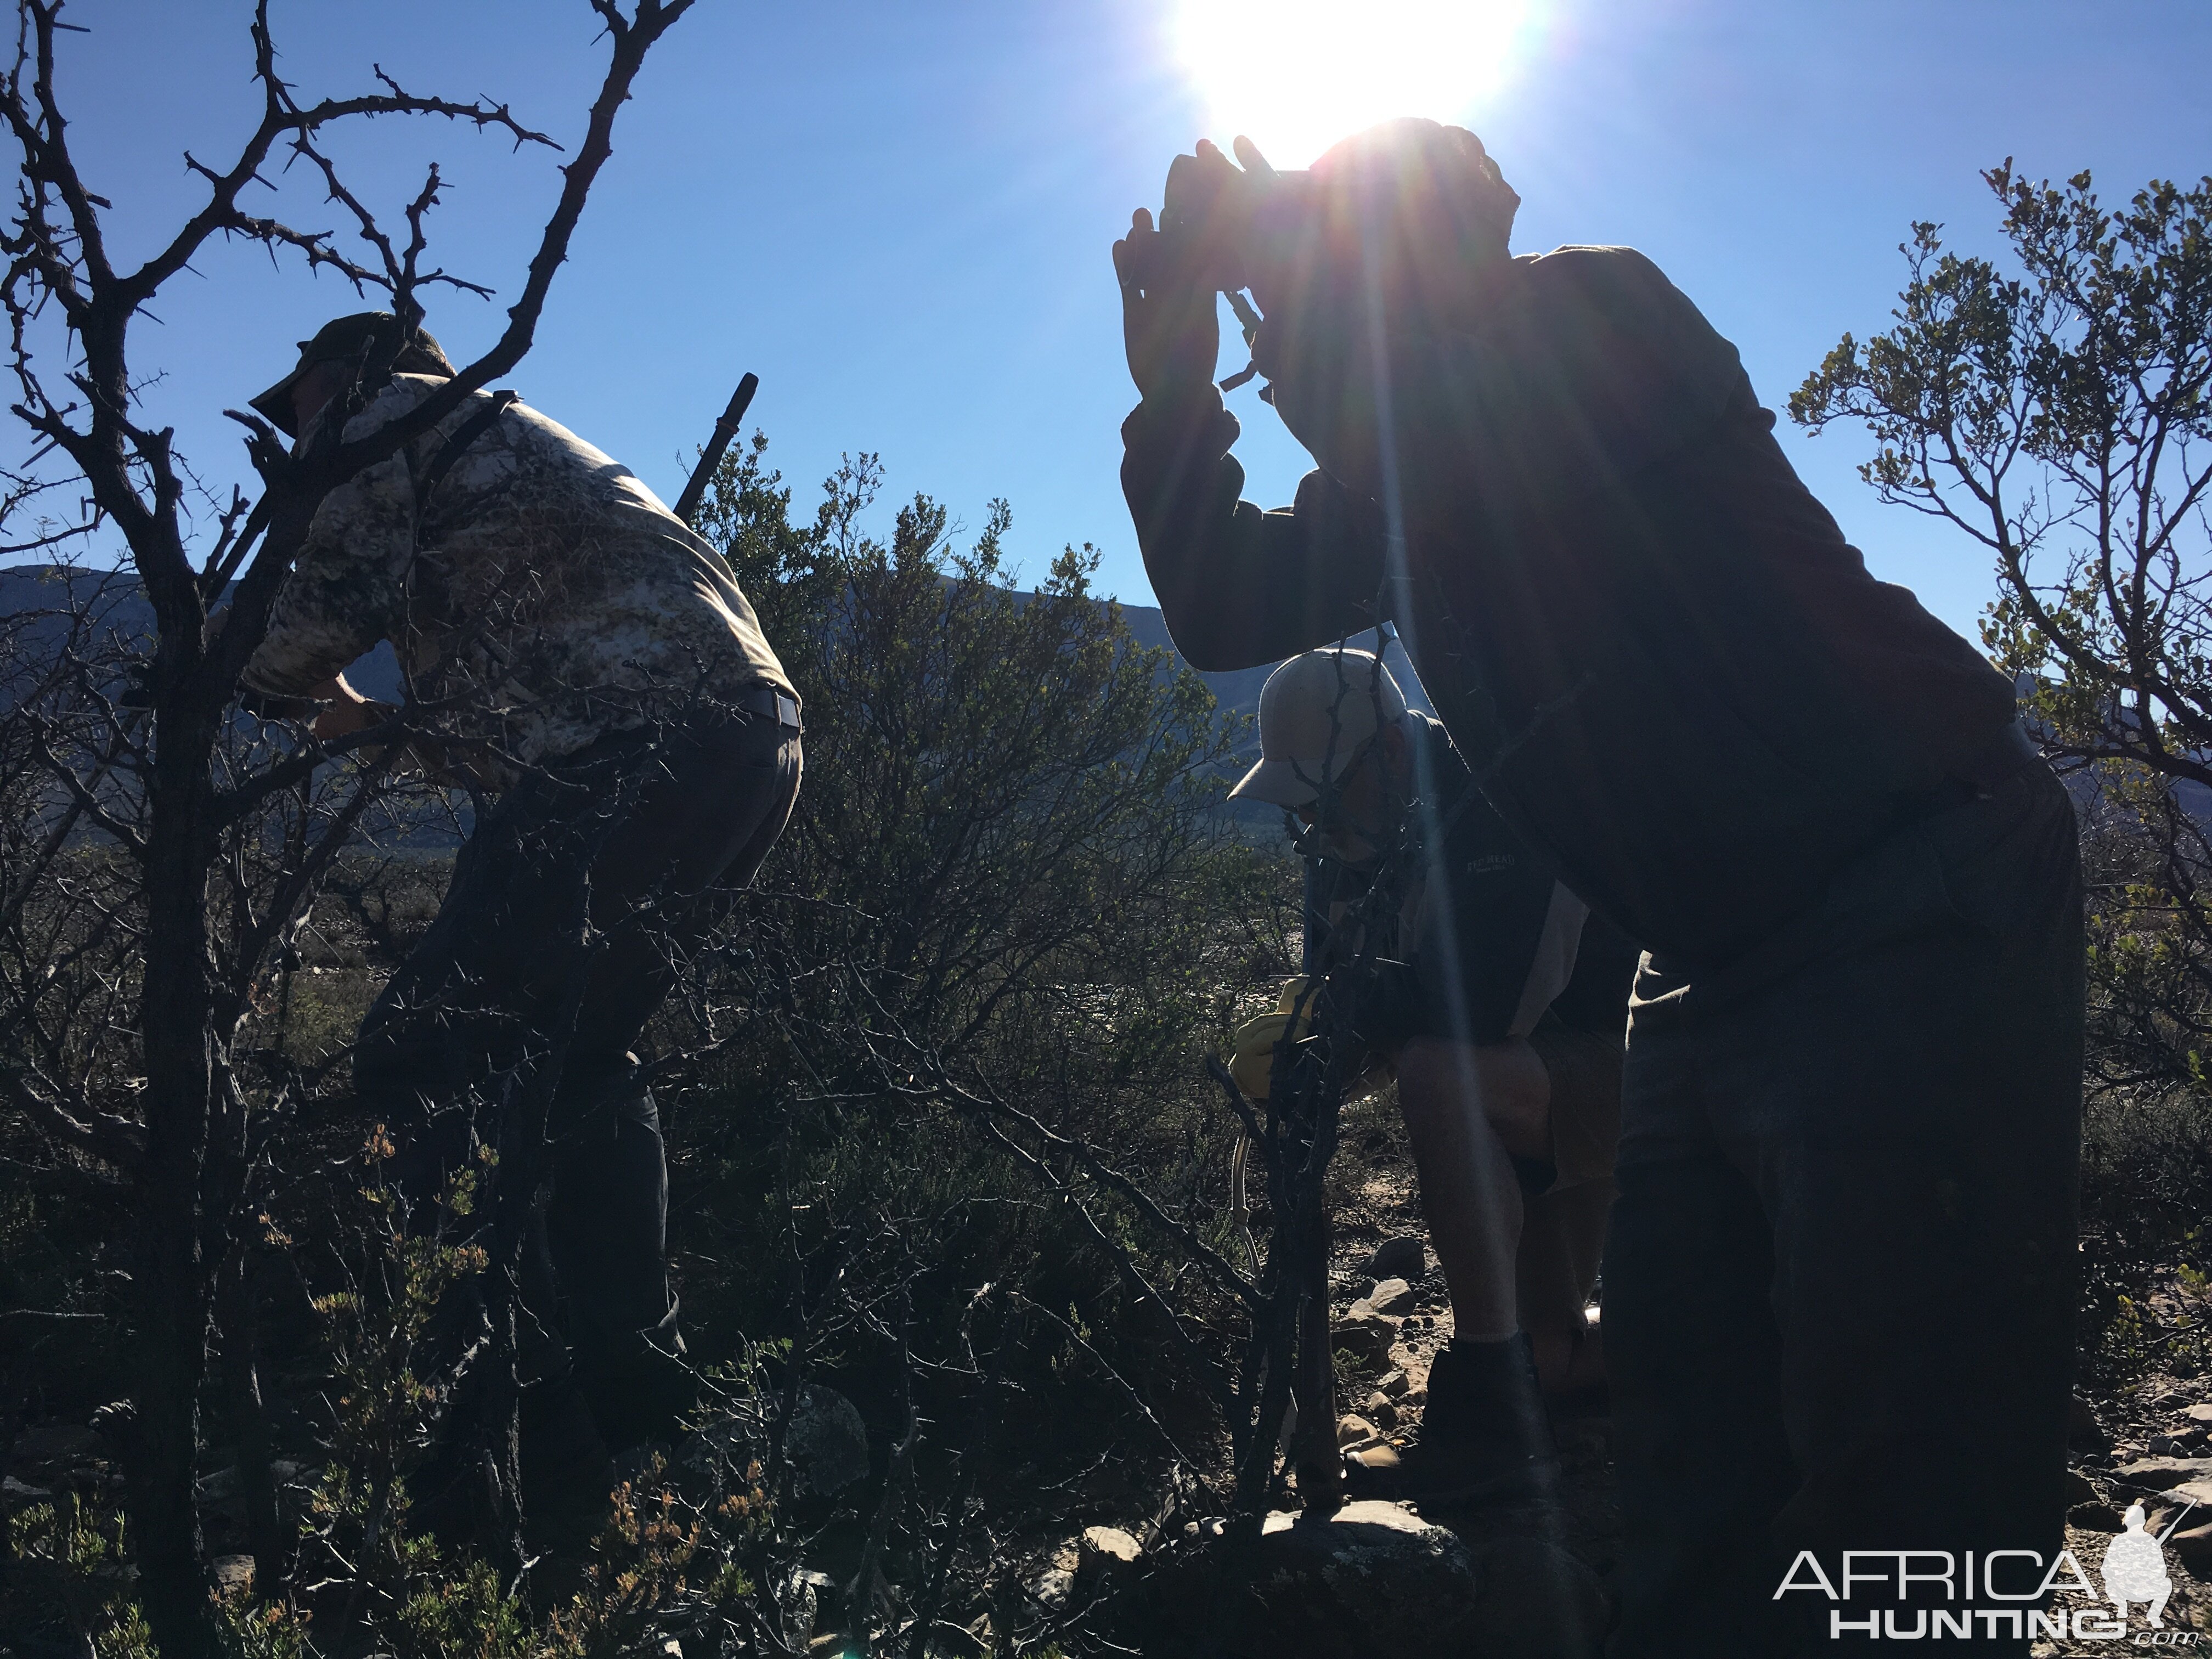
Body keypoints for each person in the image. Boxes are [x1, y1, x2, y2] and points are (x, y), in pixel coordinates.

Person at [1115, 121, 2082, 1654]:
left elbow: (1438, 426)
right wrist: (1173, 385)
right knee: (1691, 1461)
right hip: (1721, 967)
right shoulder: (1396, 471)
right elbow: (1225, 604)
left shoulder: (1593, 319)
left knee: (1911, 1476)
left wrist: (1274, 288)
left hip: (1911, 888)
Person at [237, 312, 804, 1525]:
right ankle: (638, 1421)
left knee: (424, 1058)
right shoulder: (498, 446)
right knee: (576, 1060)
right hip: (737, 738)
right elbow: (514, 714)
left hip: (630, 745)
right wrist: (369, 724)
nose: (298, 435)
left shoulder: (387, 416)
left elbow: (307, 619)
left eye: (303, 404)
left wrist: (226, 671)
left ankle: (480, 1457)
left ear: (347, 377)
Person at [1226, 647, 1635, 1504]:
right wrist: (1313, 1061)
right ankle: (1722, 1341)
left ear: (1392, 752)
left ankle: (1490, 1399)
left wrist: (1355, 1011)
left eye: (1328, 796)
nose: (1317, 826)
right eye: (1303, 807)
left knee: (1437, 1073)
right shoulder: (1348, 840)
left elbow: (1489, 1005)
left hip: (1636, 1077)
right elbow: (1350, 998)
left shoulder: (1502, 794)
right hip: (1532, 1100)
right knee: (1555, 1365)